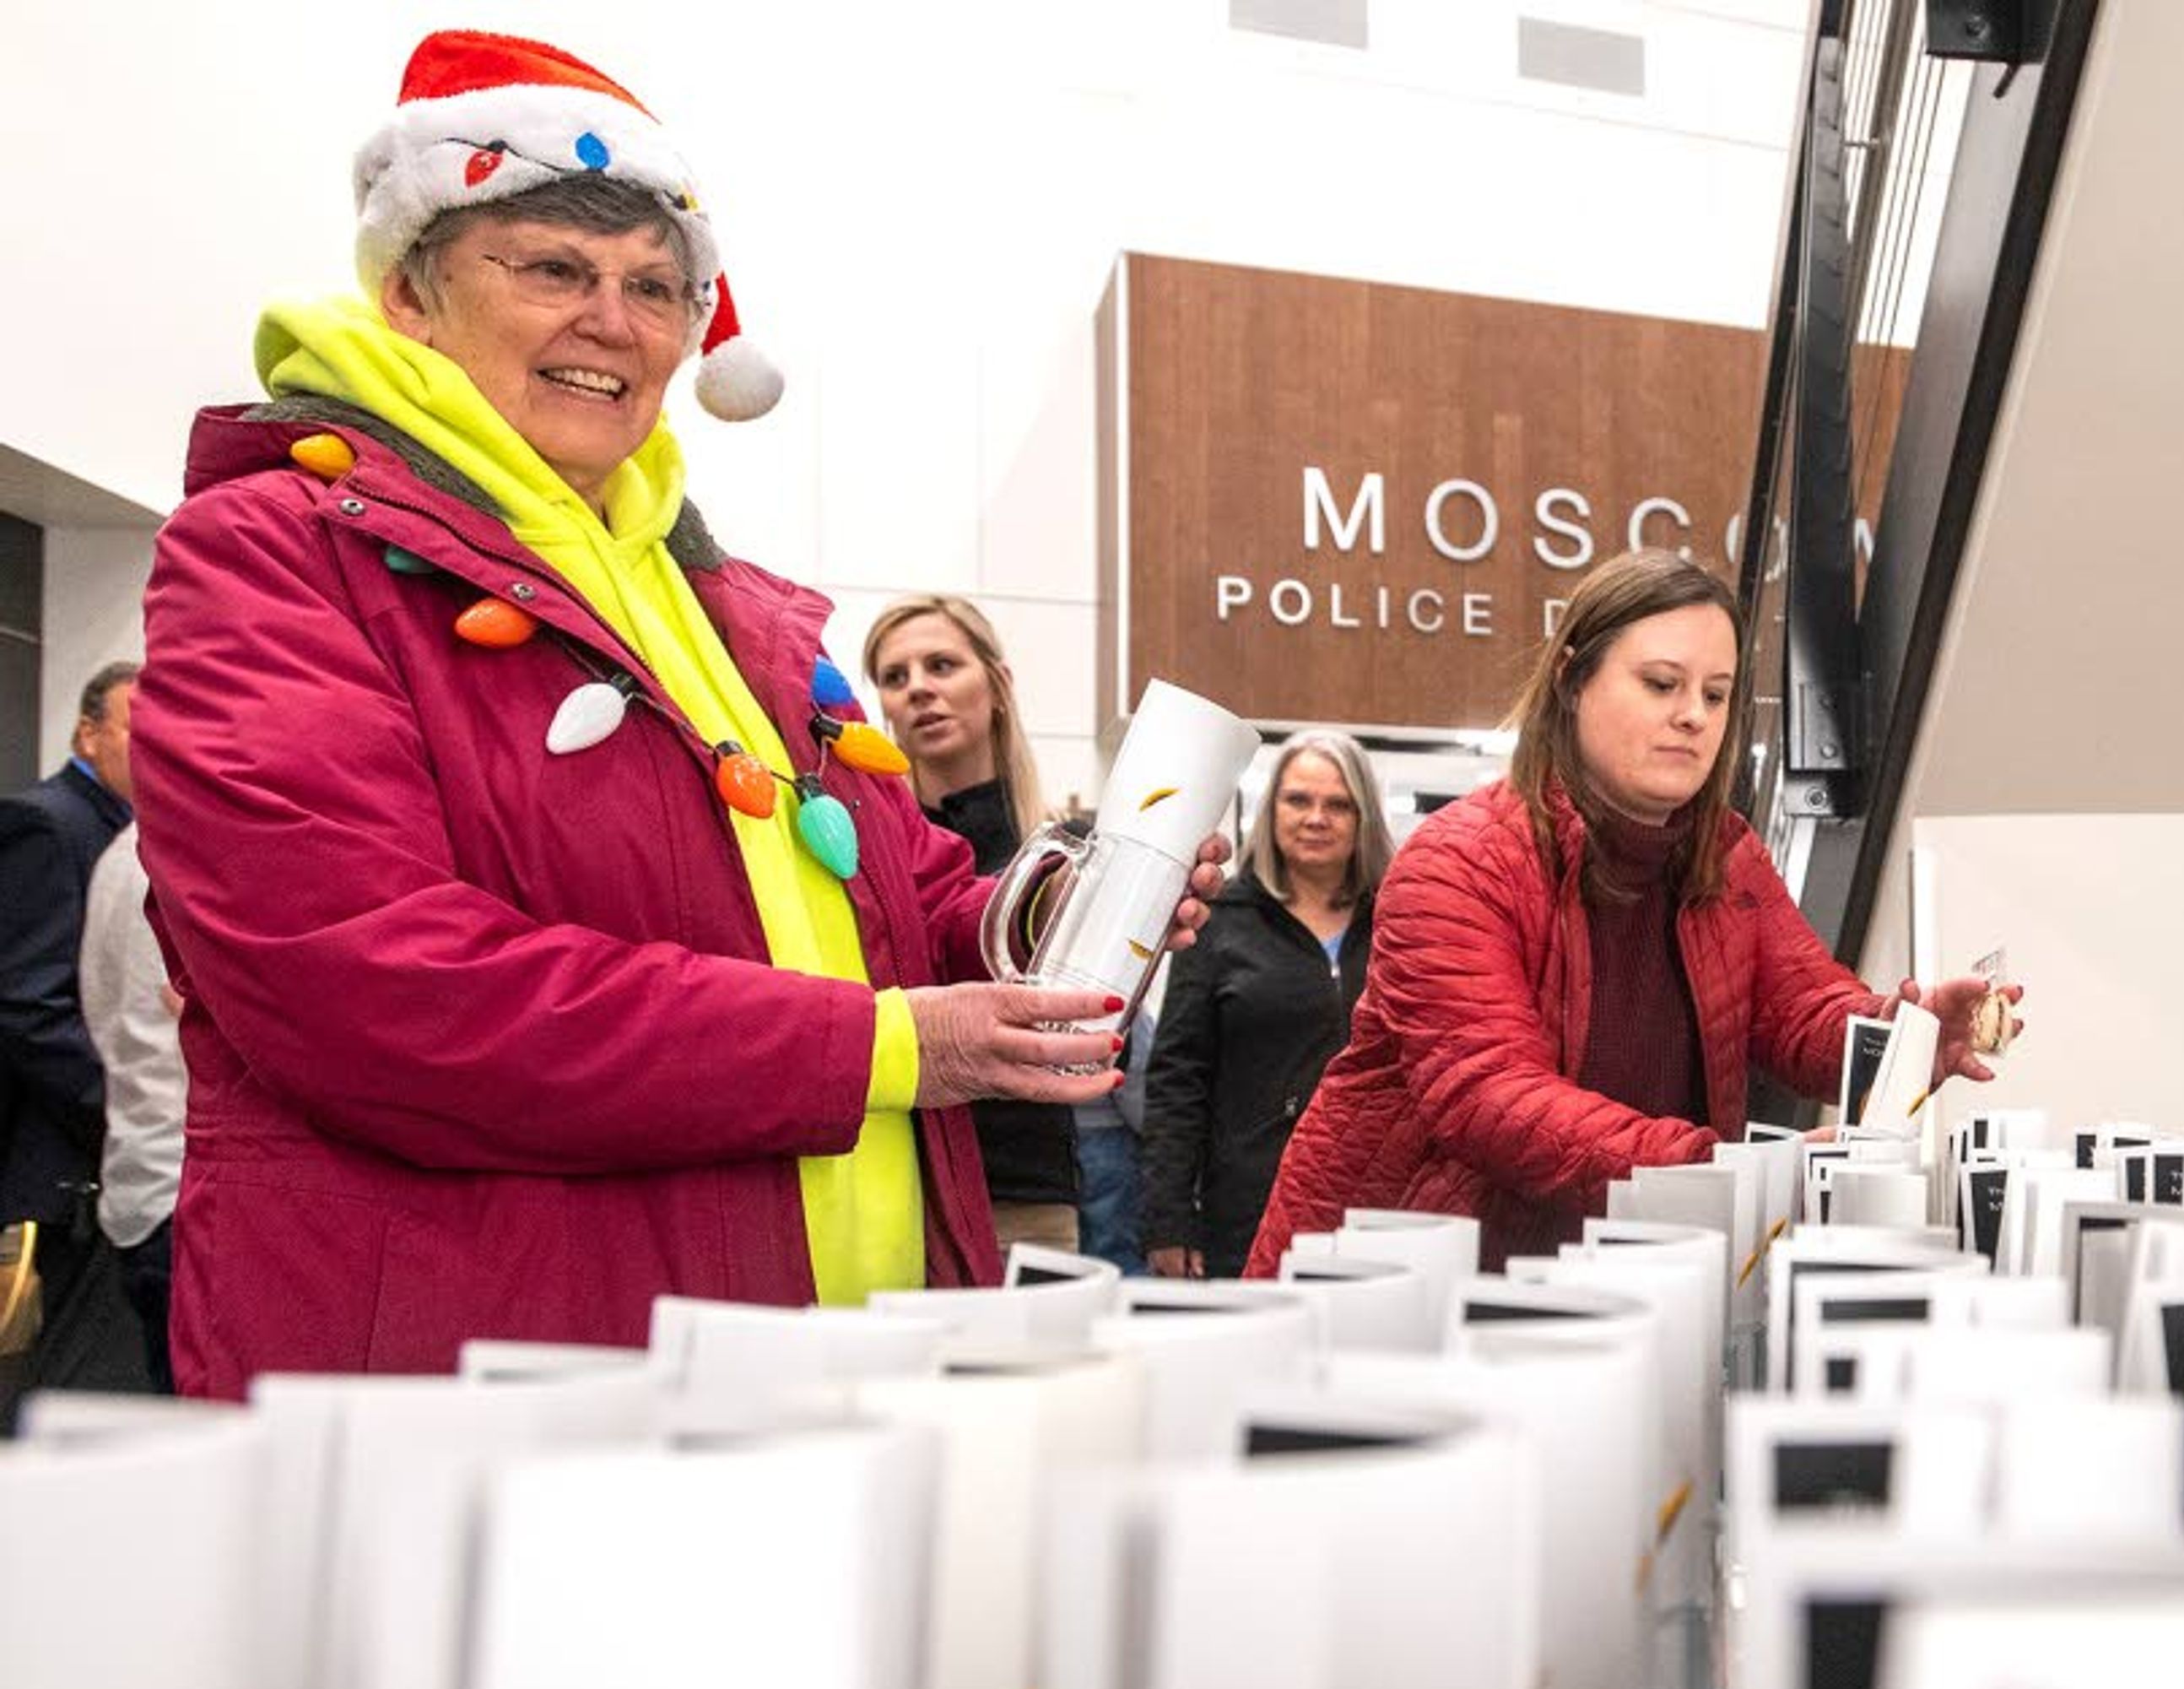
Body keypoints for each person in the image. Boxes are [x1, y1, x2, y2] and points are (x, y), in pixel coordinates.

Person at [134, 31, 1217, 1397]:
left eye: (657, 287)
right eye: (551, 270)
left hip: (847, 1363)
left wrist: (1071, 902)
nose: (618, 321)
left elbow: (896, 907)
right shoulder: (273, 553)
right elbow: (369, 988)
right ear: (410, 294)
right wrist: (887, 1047)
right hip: (505, 1392)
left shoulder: (726, 608)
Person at [1246, 551, 2016, 1275]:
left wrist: (1901, 1036)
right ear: (1572, 680)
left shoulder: (1725, 854)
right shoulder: (1460, 860)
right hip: (1398, 1277)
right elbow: (1493, 1097)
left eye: (1715, 695)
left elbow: (1802, 1008)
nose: (1694, 716)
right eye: (1661, 684)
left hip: (1615, 1268)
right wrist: (1718, 1171)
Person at [863, 595, 1089, 1254]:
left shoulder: (1064, 853)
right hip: (895, 1180)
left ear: (998, 683)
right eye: (895, 678)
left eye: (941, 665)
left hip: (1026, 1188)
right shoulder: (869, 856)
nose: (919, 690)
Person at [1143, 730, 1390, 1279]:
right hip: (1247, 1209)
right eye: (1298, 799)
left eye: (1338, 804)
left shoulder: (1399, 923)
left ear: (1363, 817)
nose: (1316, 817)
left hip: (1374, 1206)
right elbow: (1177, 1077)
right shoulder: (1218, 918)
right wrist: (1168, 1218)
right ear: (1270, 809)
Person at [0, 662, 149, 1405]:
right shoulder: (49, 823)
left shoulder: (122, 828)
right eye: (135, 730)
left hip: (101, 1153)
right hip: (62, 1163)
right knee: (62, 1381)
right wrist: (116, 1107)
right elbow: (29, 1003)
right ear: (89, 733)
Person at [78, 822, 187, 1394]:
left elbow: (100, 1017)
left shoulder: (121, 855)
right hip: (183, 1189)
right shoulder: (183, 858)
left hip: (146, 1179)